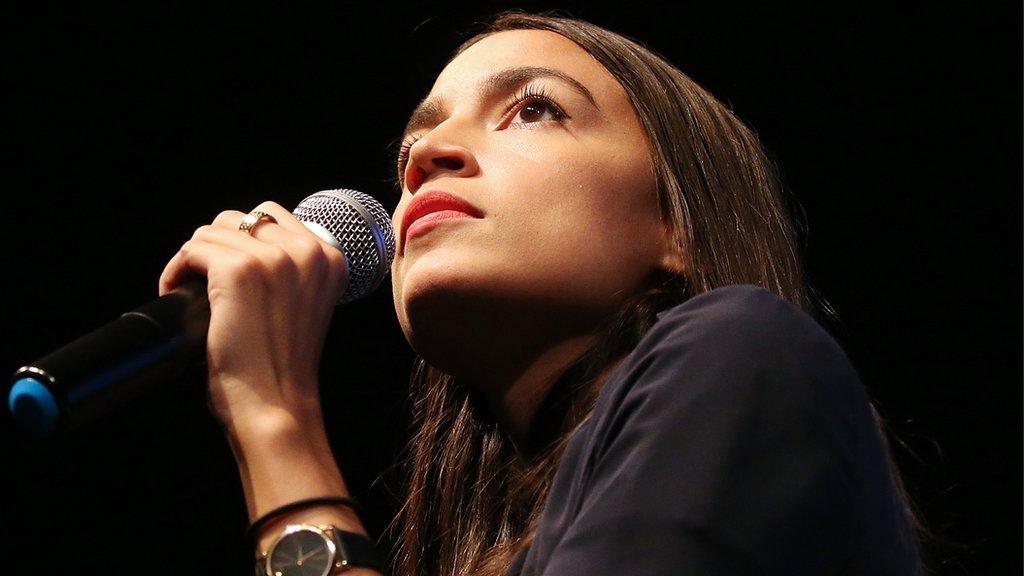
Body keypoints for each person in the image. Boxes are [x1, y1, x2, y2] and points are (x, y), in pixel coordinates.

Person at [158, 10, 921, 576]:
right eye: (408, 150)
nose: (426, 153)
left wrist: (275, 415)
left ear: (677, 226)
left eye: (533, 109)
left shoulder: (746, 348)